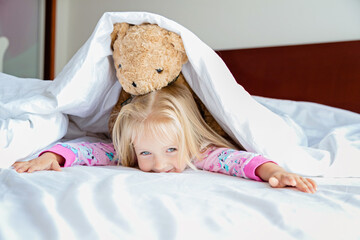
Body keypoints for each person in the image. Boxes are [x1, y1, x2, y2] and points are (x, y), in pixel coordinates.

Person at [12, 81, 317, 193]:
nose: (159, 165)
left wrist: (274, 171)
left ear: (187, 137)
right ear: (132, 146)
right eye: (146, 153)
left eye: (171, 149)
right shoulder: (126, 151)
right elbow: (88, 150)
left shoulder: (199, 153)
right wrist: (52, 157)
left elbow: (240, 161)